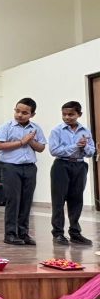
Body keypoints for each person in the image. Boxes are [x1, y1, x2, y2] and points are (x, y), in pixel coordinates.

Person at [0, 97, 46, 246]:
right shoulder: (6, 126)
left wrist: (31, 141)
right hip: (11, 167)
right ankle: (10, 234)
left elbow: (41, 148)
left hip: (29, 167)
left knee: (26, 201)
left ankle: (23, 233)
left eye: (24, 113)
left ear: (32, 114)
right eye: (17, 111)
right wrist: (22, 142)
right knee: (13, 200)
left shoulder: (35, 128)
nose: (20, 115)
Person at [48, 101, 95, 245]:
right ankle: (58, 233)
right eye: (64, 114)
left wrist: (85, 146)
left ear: (79, 114)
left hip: (80, 165)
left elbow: (91, 152)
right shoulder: (57, 131)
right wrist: (75, 146)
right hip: (61, 165)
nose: (67, 117)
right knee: (59, 200)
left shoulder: (85, 131)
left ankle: (75, 232)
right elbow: (54, 151)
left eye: (71, 114)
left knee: (76, 199)